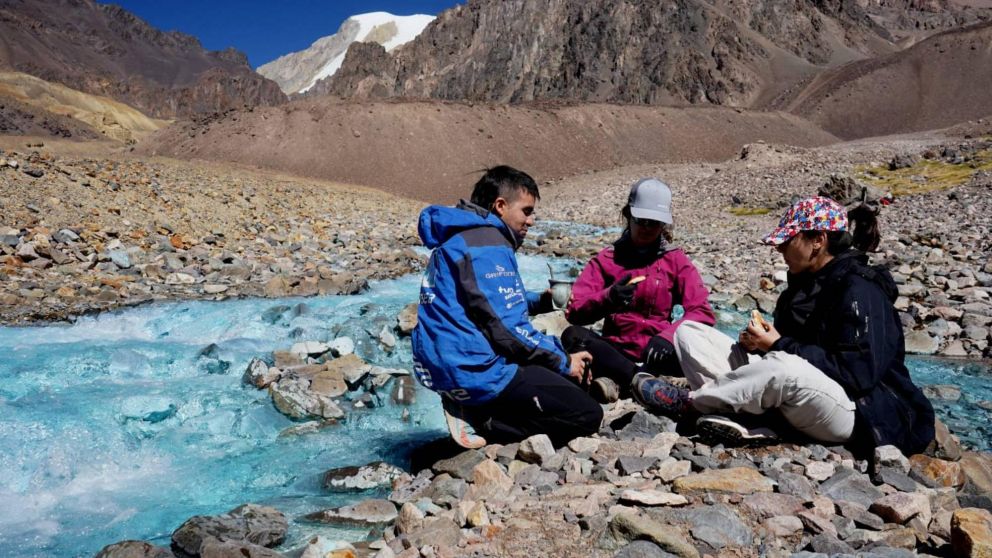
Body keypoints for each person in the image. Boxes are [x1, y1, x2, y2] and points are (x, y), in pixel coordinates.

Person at [632, 196, 935, 456]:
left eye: (788, 241)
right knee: (689, 334)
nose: (780, 249)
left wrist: (776, 345)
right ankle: (752, 421)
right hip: (798, 395)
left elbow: (858, 375)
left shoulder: (860, 290)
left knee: (784, 368)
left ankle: (691, 404)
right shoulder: (801, 287)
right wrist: (757, 343)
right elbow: (786, 351)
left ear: (819, 240)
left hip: (858, 410)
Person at [412, 165, 603, 448]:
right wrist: (564, 361)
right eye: (527, 211)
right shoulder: (488, 245)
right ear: (500, 206)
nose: (532, 221)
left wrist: (540, 301)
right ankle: (484, 420)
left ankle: (474, 406)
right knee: (587, 414)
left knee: (555, 377)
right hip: (473, 371)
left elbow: (484, 301)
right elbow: (509, 330)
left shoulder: (464, 238)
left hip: (442, 366)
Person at [562, 178, 716, 401]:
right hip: (616, 350)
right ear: (628, 215)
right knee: (573, 335)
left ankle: (621, 383)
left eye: (653, 222)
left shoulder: (676, 260)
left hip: (659, 352)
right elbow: (575, 311)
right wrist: (608, 297)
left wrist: (669, 336)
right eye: (640, 220)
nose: (646, 228)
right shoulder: (607, 259)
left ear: (663, 224)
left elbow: (702, 311)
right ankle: (642, 382)